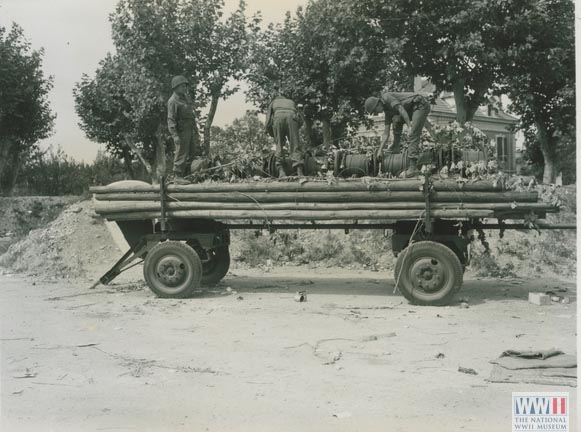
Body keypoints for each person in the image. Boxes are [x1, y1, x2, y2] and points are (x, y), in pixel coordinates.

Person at [364, 91, 431, 178]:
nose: (377, 113)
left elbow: (401, 109)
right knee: (396, 120)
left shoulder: (386, 97)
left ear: (378, 104)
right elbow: (386, 132)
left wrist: (409, 126)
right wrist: (380, 149)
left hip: (420, 105)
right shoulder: (387, 112)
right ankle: (396, 146)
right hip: (410, 109)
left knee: (413, 134)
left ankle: (413, 166)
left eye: (375, 111)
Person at [167, 75, 198, 184]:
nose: (185, 88)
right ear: (176, 87)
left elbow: (191, 114)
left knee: (192, 151)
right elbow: (171, 119)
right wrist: (175, 135)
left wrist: (195, 129)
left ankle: (186, 174)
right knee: (181, 152)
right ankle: (178, 175)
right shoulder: (172, 101)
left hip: (189, 128)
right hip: (181, 131)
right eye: (183, 86)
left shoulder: (185, 98)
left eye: (185, 86)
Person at [265, 95, 304, 177]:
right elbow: (301, 120)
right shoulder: (291, 101)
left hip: (278, 118)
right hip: (292, 117)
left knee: (279, 145)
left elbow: (268, 123)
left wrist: (273, 135)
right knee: (295, 144)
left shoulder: (273, 103)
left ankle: (281, 171)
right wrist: (295, 131)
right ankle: (299, 171)